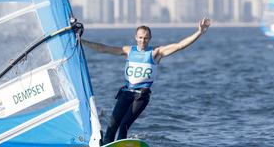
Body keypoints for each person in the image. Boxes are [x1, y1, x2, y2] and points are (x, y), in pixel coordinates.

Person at [82, 17, 211, 144]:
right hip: (126, 93)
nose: (143, 41)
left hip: (141, 96)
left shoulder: (156, 52)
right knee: (112, 125)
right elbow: (103, 48)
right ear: (136, 37)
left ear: (149, 39)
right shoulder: (128, 51)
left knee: (124, 125)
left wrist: (199, 32)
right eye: (140, 37)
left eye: (146, 38)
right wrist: (81, 41)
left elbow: (179, 46)